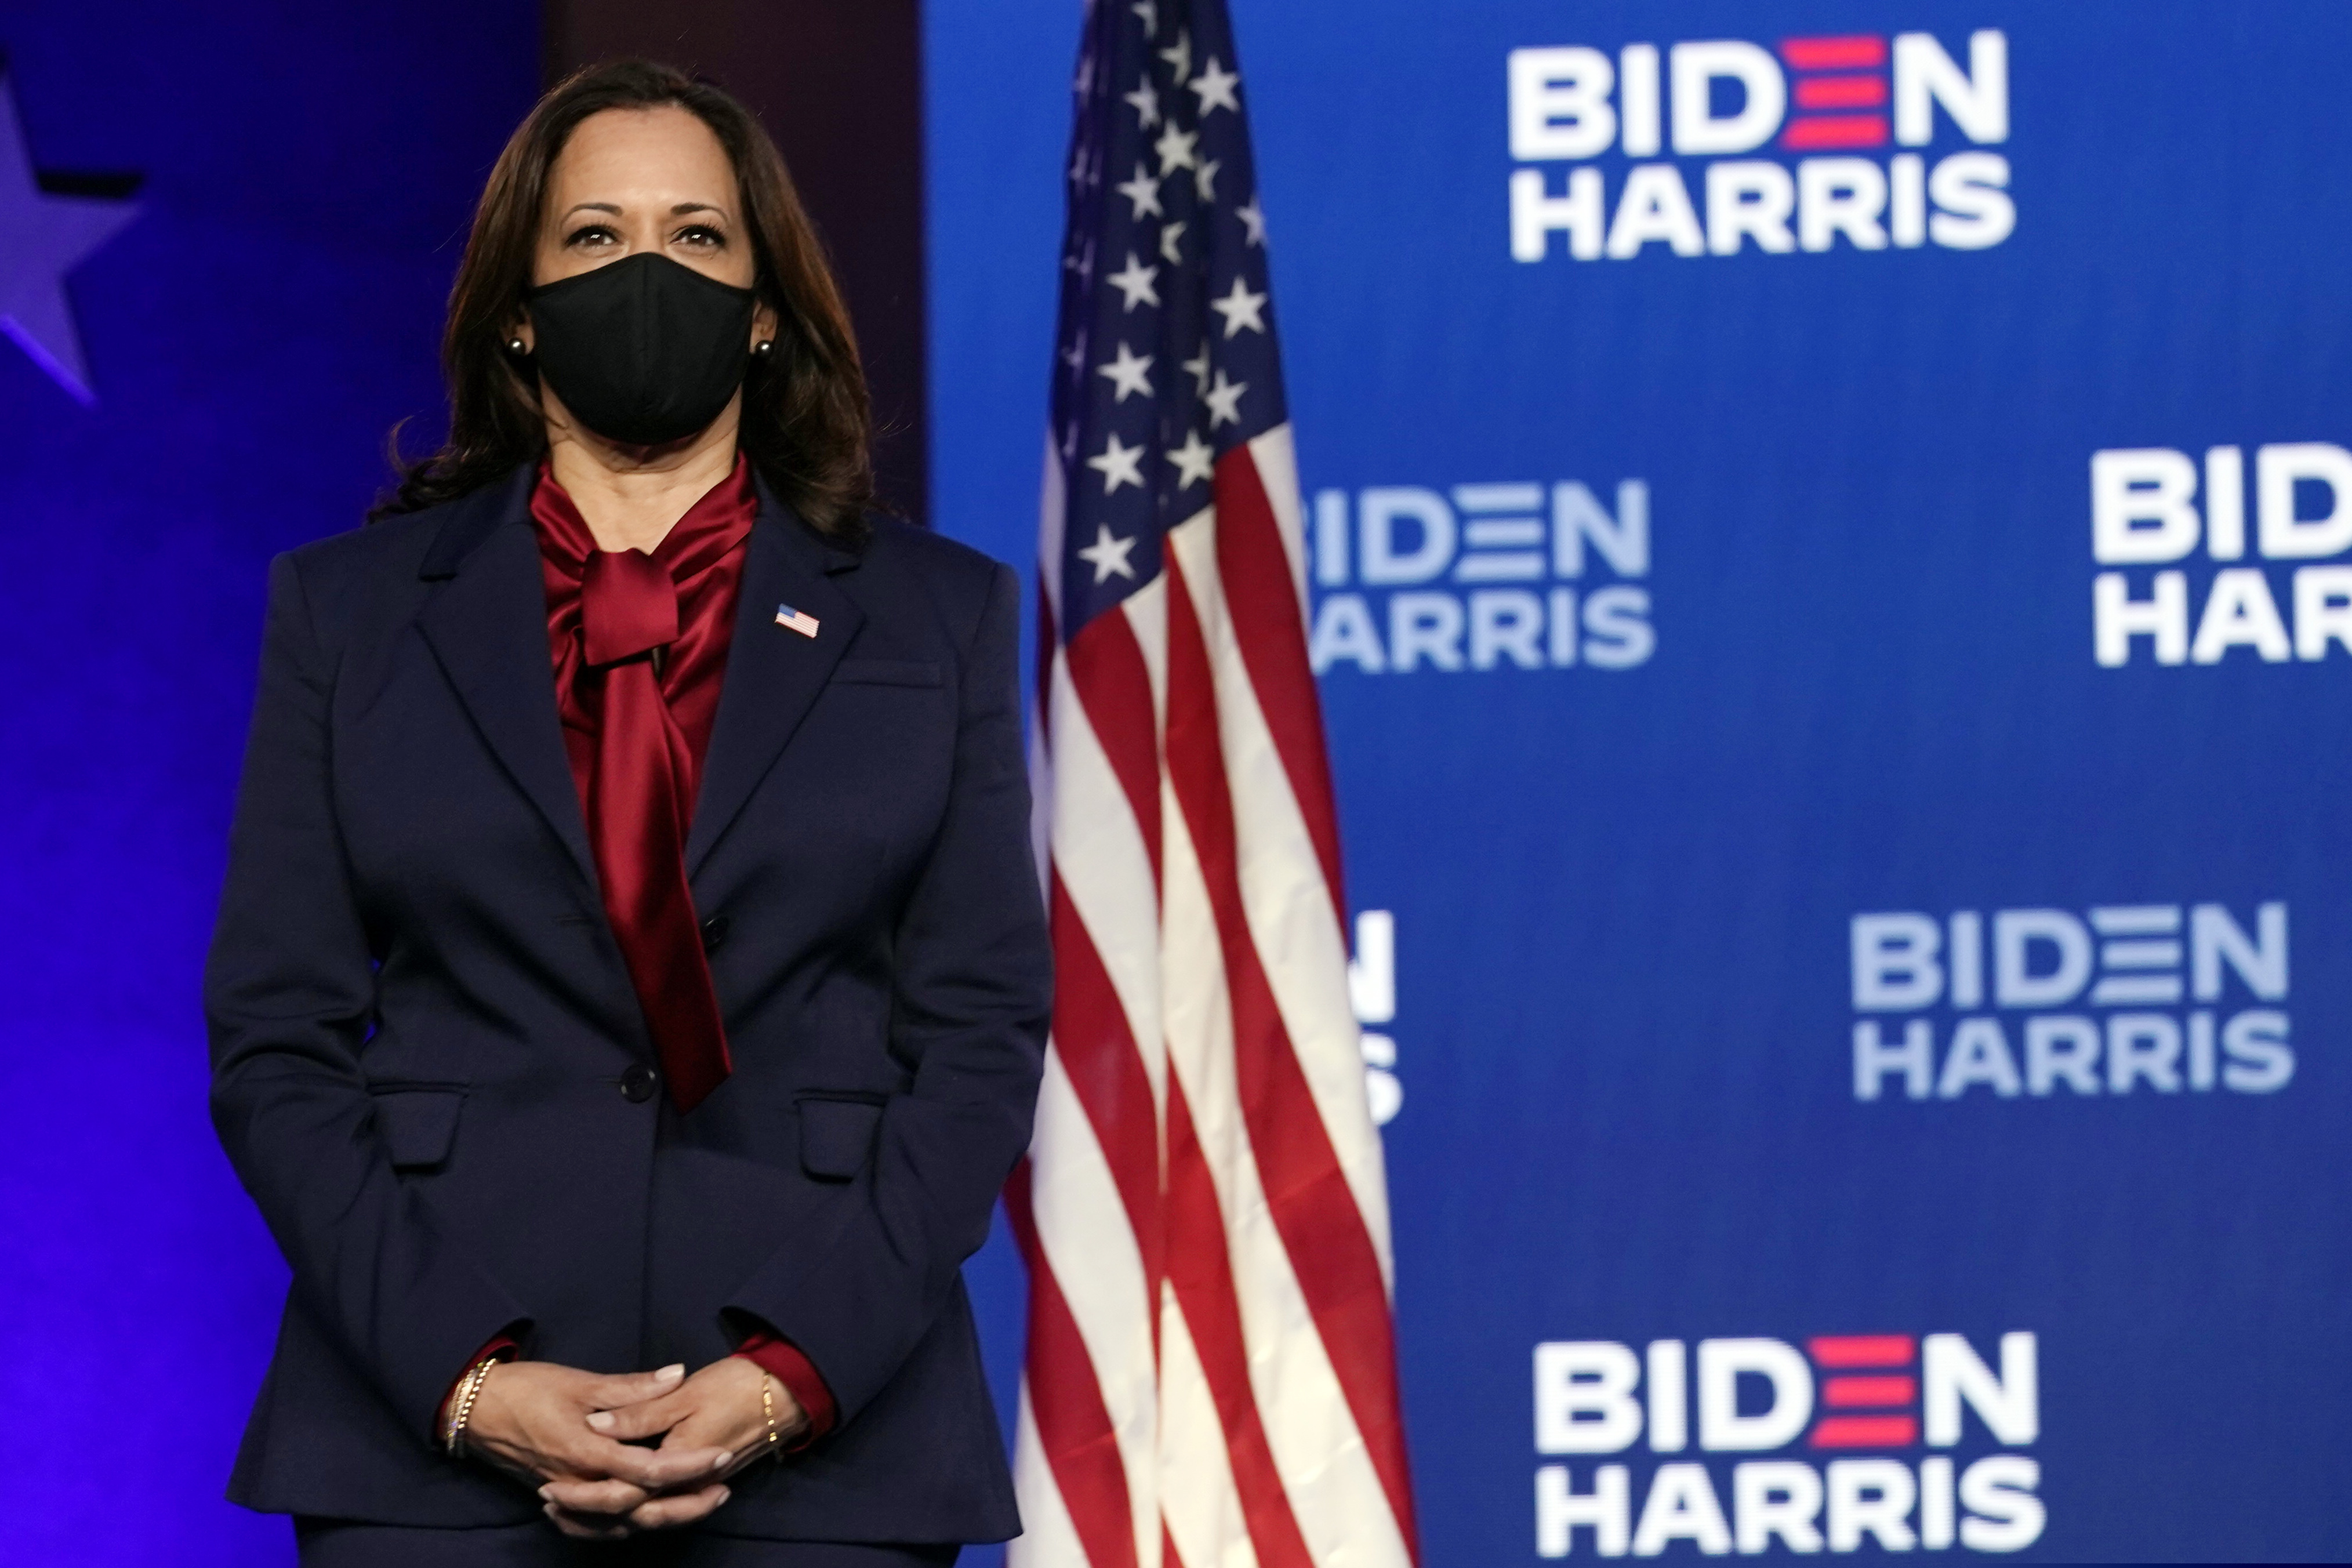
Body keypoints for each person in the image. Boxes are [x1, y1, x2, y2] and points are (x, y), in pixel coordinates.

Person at [204, 60, 1048, 1566]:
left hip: (823, 1455)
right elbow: (277, 1036)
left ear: (769, 303)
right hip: (430, 1451)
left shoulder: (939, 620)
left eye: (699, 238)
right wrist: (467, 1383)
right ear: (517, 305)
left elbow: (980, 1036)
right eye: (595, 237)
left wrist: (790, 1376)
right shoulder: (346, 617)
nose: (647, 271)